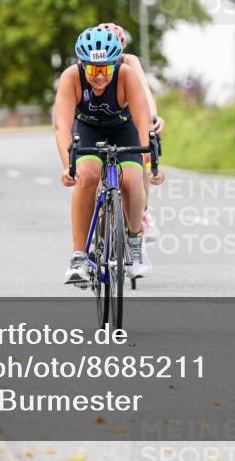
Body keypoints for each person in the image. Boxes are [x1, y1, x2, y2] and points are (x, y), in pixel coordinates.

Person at [53, 27, 165, 286]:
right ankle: (79, 257)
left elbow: (143, 123)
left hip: (123, 129)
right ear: (82, 63)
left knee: (132, 179)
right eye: (93, 69)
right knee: (87, 175)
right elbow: (61, 126)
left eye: (106, 68)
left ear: (116, 63)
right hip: (88, 129)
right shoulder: (71, 77)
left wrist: (153, 162)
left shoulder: (127, 75)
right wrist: (68, 167)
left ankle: (135, 240)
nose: (100, 76)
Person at [97, 23, 163, 237]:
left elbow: (144, 90)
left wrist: (153, 117)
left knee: (141, 160)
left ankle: (142, 211)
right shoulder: (88, 63)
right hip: (96, 120)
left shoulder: (129, 61)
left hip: (127, 118)